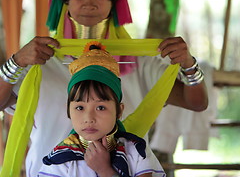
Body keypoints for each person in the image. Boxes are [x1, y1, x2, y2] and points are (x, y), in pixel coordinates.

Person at [0, 0, 208, 176]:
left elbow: (197, 103)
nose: (89, 3)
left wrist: (189, 65)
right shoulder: (41, 61)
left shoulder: (138, 64)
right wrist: (17, 61)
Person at [38, 42, 165, 177]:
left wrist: (105, 171)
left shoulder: (136, 150)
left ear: (119, 111)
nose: (89, 118)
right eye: (80, 107)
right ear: (68, 110)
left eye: (100, 107)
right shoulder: (59, 161)